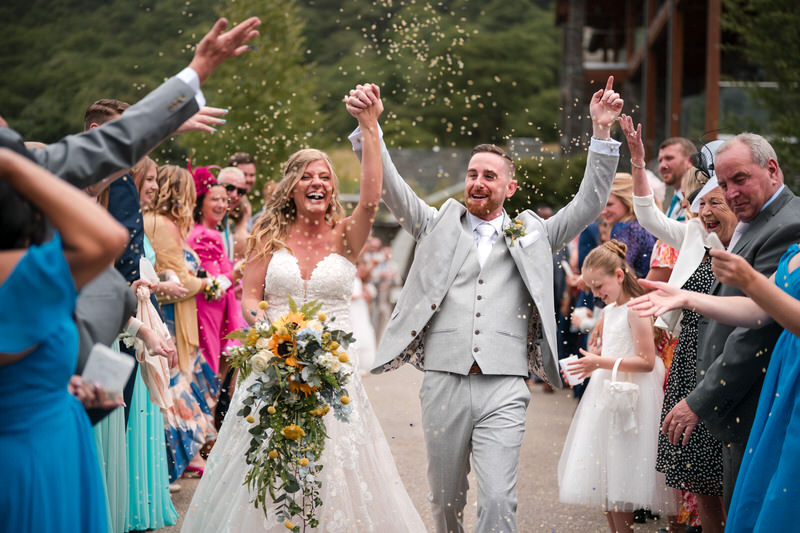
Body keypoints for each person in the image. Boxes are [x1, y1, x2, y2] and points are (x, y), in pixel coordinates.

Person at [346, 77, 623, 532]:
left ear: (510, 188)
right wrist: (369, 129)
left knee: (498, 500)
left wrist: (601, 133)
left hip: (505, 386)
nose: (477, 182)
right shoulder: (435, 224)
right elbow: (392, 189)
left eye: (489, 176)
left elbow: (590, 202)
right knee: (444, 499)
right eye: (472, 174)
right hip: (443, 382)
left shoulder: (536, 232)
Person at [182, 86, 425, 532]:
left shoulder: (346, 235)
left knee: (335, 458)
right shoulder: (266, 234)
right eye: (307, 176)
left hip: (335, 371)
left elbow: (371, 197)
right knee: (269, 456)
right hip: (274, 362)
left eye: (326, 177)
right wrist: (271, 332)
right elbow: (250, 297)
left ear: (333, 188)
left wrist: (370, 128)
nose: (317, 183)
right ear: (291, 185)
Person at [650, 133, 800, 509]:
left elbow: (758, 330)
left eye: (740, 180)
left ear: (772, 170)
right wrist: (686, 297)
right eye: (723, 183)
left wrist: (702, 399)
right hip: (745, 402)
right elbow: (756, 309)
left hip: (763, 396)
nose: (731, 193)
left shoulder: (786, 226)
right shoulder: (757, 220)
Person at [0, 148, 129, 533]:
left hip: (58, 430)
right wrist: (12, 163)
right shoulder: (28, 275)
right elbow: (108, 235)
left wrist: (56, 387)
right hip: (35, 454)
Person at [630, 246, 800, 532]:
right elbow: (758, 311)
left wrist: (751, 281)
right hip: (785, 377)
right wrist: (687, 298)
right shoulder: (795, 251)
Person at [622, 115, 733, 532]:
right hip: (688, 356)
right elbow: (648, 215)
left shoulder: (740, 245)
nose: (703, 211)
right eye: (698, 203)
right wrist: (637, 162)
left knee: (725, 474)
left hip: (721, 361)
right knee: (699, 473)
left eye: (713, 203)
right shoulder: (691, 233)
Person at [558, 240, 675, 533]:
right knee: (607, 476)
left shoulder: (637, 309)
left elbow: (647, 361)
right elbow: (612, 350)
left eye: (599, 286)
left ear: (619, 276)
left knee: (622, 474)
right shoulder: (610, 311)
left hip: (632, 399)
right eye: (592, 288)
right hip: (607, 393)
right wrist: (591, 362)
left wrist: (599, 363)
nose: (596, 294)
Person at [143, 165, 219, 481]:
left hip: (183, 316)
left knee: (186, 388)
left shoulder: (169, 224)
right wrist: (209, 283)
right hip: (170, 318)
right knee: (175, 390)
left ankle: (187, 456)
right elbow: (176, 281)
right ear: (178, 192)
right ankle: (177, 461)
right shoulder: (159, 225)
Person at [188, 167, 245, 376]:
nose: (222, 205)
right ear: (201, 202)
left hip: (213, 310)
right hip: (209, 312)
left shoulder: (204, 231)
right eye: (215, 200)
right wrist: (238, 273)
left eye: (224, 200)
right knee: (210, 371)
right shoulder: (205, 236)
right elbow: (214, 285)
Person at [601, 172, 657, 277]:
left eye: (609, 204)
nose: (603, 212)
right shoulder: (645, 225)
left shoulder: (624, 228)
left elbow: (619, 273)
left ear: (626, 201)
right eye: (602, 206)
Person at [658, 137, 697, 220]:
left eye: (669, 158)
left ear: (689, 161)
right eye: (660, 161)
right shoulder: (673, 200)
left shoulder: (698, 202)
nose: (662, 166)